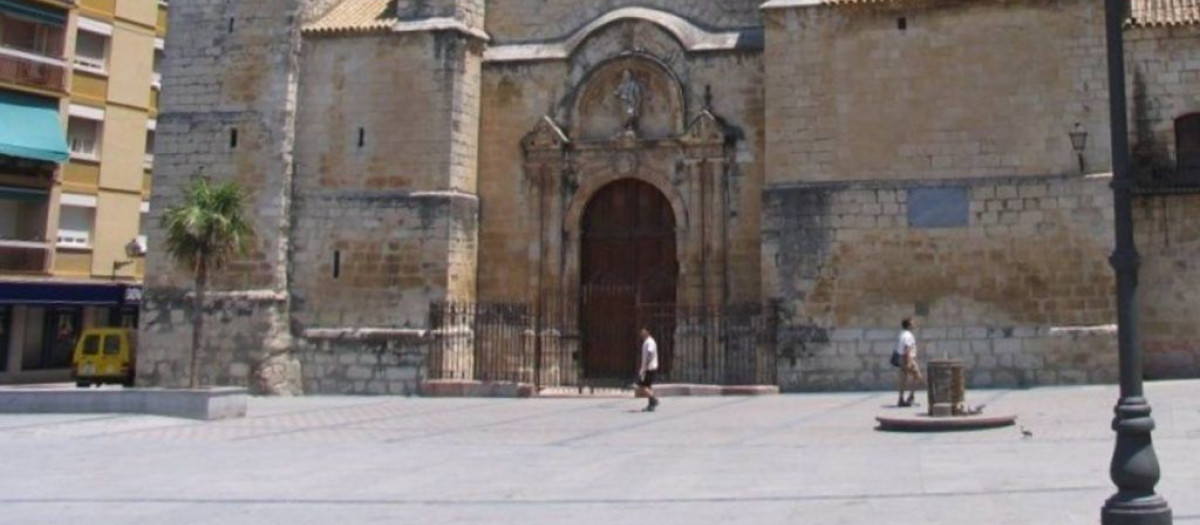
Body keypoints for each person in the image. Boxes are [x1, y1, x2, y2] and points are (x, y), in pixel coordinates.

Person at [894, 318, 923, 407]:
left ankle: (901, 399)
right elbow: (907, 348)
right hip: (907, 358)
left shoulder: (902, 334)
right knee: (917, 377)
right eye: (912, 323)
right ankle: (910, 398)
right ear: (909, 325)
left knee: (903, 379)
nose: (913, 325)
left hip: (901, 358)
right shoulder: (908, 335)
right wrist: (908, 361)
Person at [637, 327, 660, 412]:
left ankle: (653, 400)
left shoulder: (649, 342)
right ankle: (651, 404)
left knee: (642, 386)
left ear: (647, 332)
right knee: (648, 386)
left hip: (649, 368)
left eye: (643, 332)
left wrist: (646, 366)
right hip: (650, 367)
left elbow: (649, 353)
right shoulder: (648, 341)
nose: (641, 334)